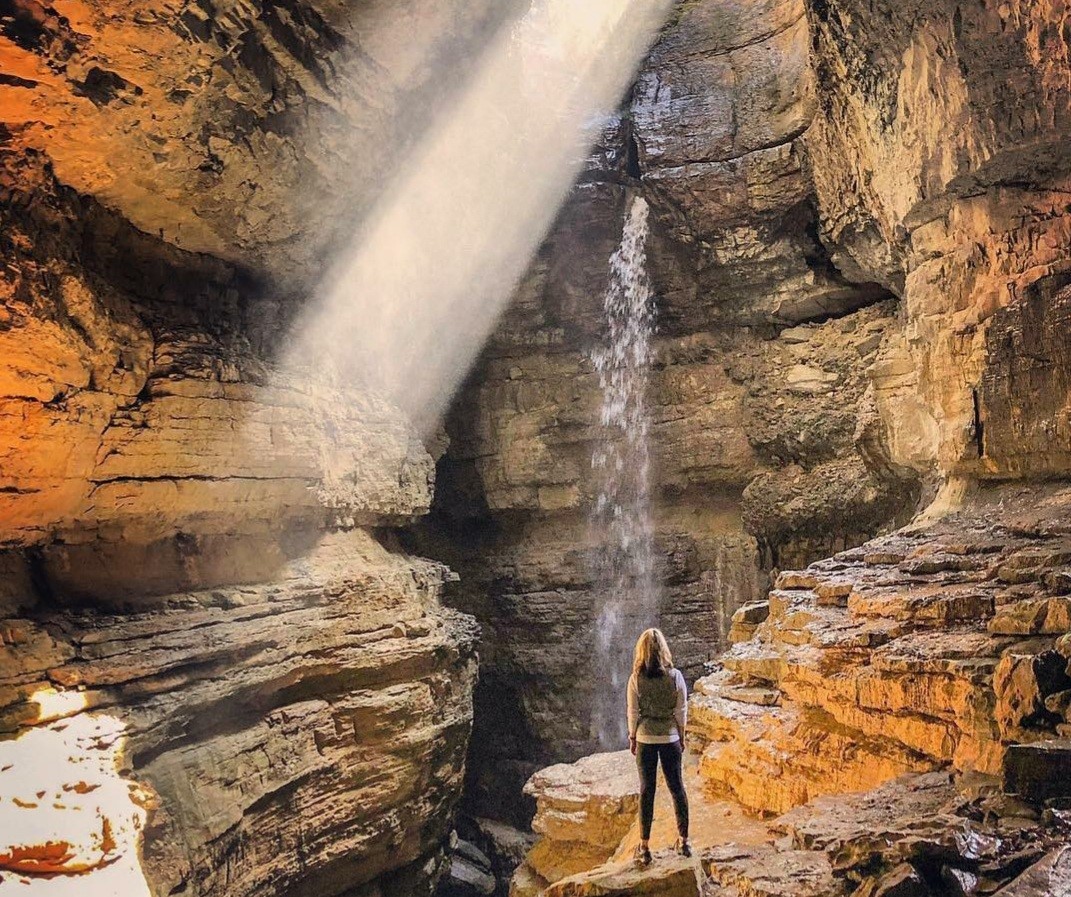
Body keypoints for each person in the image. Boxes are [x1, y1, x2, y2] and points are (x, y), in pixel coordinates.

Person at [626, 627, 690, 866]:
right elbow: (680, 711)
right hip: (670, 738)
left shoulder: (636, 679)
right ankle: (684, 841)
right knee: (677, 788)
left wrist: (632, 736)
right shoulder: (676, 677)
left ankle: (644, 847)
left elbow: (633, 711)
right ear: (664, 649)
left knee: (646, 791)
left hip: (645, 740)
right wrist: (681, 736)